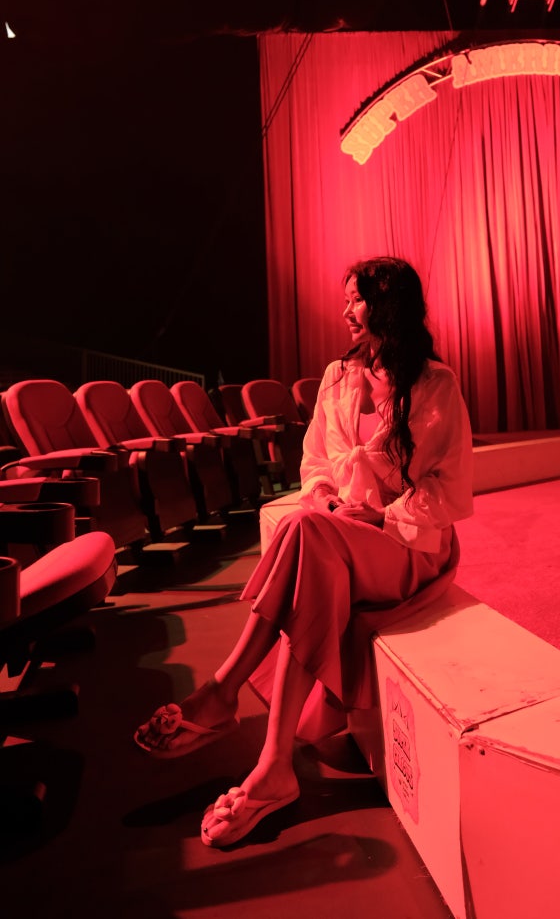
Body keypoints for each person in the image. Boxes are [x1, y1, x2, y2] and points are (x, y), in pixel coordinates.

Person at [134, 256, 474, 848]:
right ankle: (273, 764)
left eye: (356, 299)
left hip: (407, 547)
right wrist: (327, 501)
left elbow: (450, 491)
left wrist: (381, 515)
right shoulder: (337, 378)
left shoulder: (434, 384)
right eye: (345, 300)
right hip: (337, 536)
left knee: (305, 533)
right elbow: (314, 462)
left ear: (388, 305)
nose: (346, 311)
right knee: (308, 533)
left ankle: (223, 692)